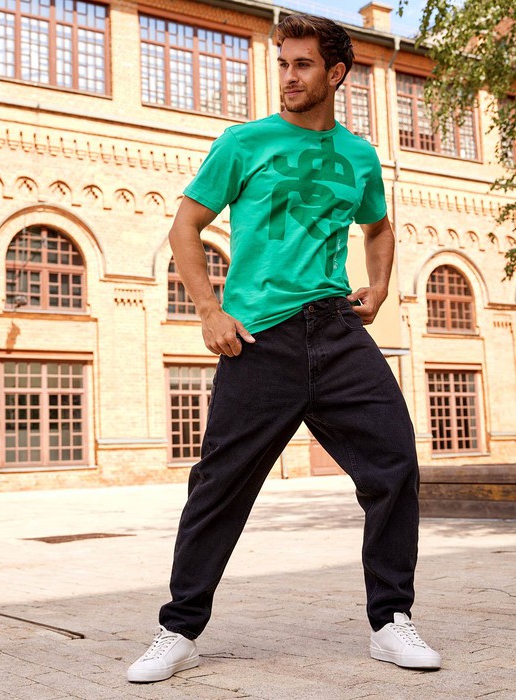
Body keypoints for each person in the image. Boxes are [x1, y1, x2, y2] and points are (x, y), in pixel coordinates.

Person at [127, 13, 441, 683]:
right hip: (258, 337)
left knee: (393, 464)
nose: (289, 76)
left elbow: (379, 227)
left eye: (303, 64)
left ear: (336, 73)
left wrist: (380, 286)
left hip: (335, 329)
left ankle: (390, 620)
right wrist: (208, 309)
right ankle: (178, 631)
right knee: (219, 486)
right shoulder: (243, 143)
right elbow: (185, 227)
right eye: (283, 64)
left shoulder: (359, 156)